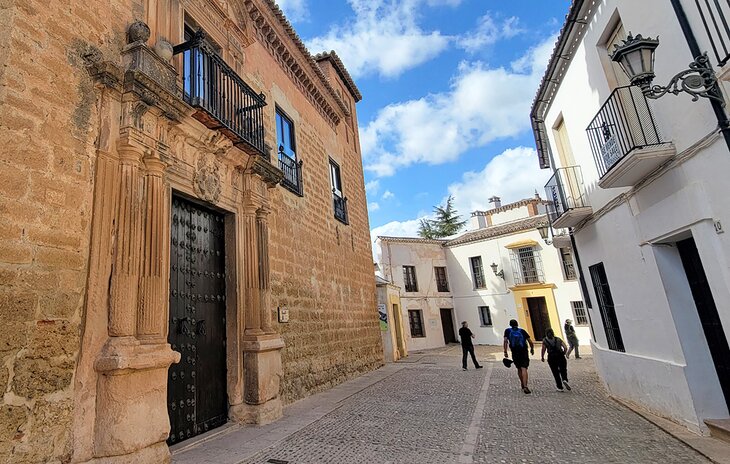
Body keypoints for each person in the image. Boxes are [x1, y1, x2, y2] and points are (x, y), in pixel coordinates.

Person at [503, 319, 534, 394]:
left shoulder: (507, 331)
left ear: (510, 324)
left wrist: (505, 351)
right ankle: (526, 385)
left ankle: (522, 384)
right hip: (523, 351)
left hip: (515, 351)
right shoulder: (522, 331)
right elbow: (530, 341)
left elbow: (505, 341)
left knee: (519, 368)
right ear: (517, 324)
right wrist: (532, 349)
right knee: (524, 368)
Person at [541, 328, 571, 392]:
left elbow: (543, 349)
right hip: (560, 355)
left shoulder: (545, 340)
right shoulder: (558, 339)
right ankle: (564, 379)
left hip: (551, 357)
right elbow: (565, 347)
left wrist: (542, 357)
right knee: (563, 368)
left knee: (555, 372)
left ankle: (559, 387)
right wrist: (564, 353)